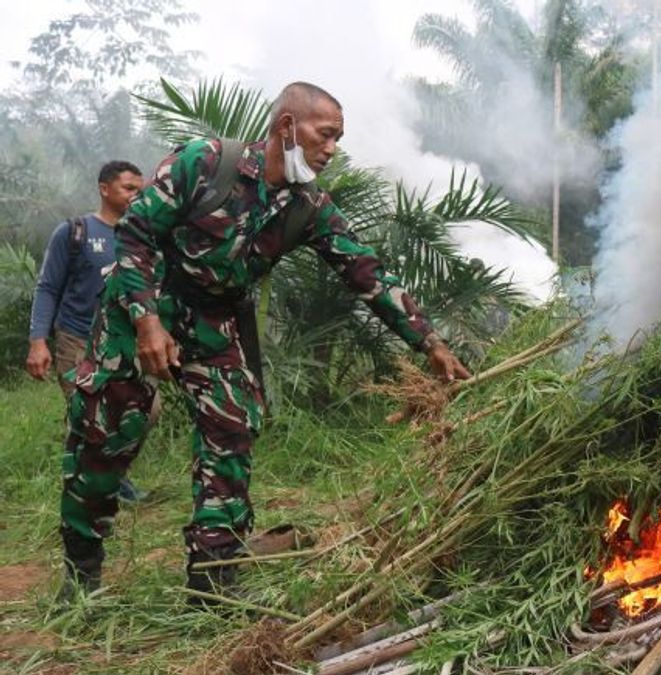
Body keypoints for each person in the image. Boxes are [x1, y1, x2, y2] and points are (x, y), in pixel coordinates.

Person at [56, 82, 471, 602]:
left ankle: (213, 581)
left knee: (232, 429)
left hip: (212, 320)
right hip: (140, 306)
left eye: (339, 139)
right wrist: (146, 324)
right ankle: (81, 573)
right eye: (325, 135)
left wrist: (428, 341)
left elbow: (366, 272)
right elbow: (135, 233)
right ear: (286, 127)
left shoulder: (308, 207)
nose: (332, 149)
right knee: (107, 435)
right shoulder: (205, 163)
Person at [27, 161, 151, 504]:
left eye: (140, 190)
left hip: (121, 342)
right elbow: (48, 288)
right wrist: (38, 341)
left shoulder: (139, 236)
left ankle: (111, 477)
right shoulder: (75, 231)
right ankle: (93, 494)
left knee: (145, 412)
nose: (135, 196)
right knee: (90, 416)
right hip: (76, 339)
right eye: (128, 188)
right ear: (104, 188)